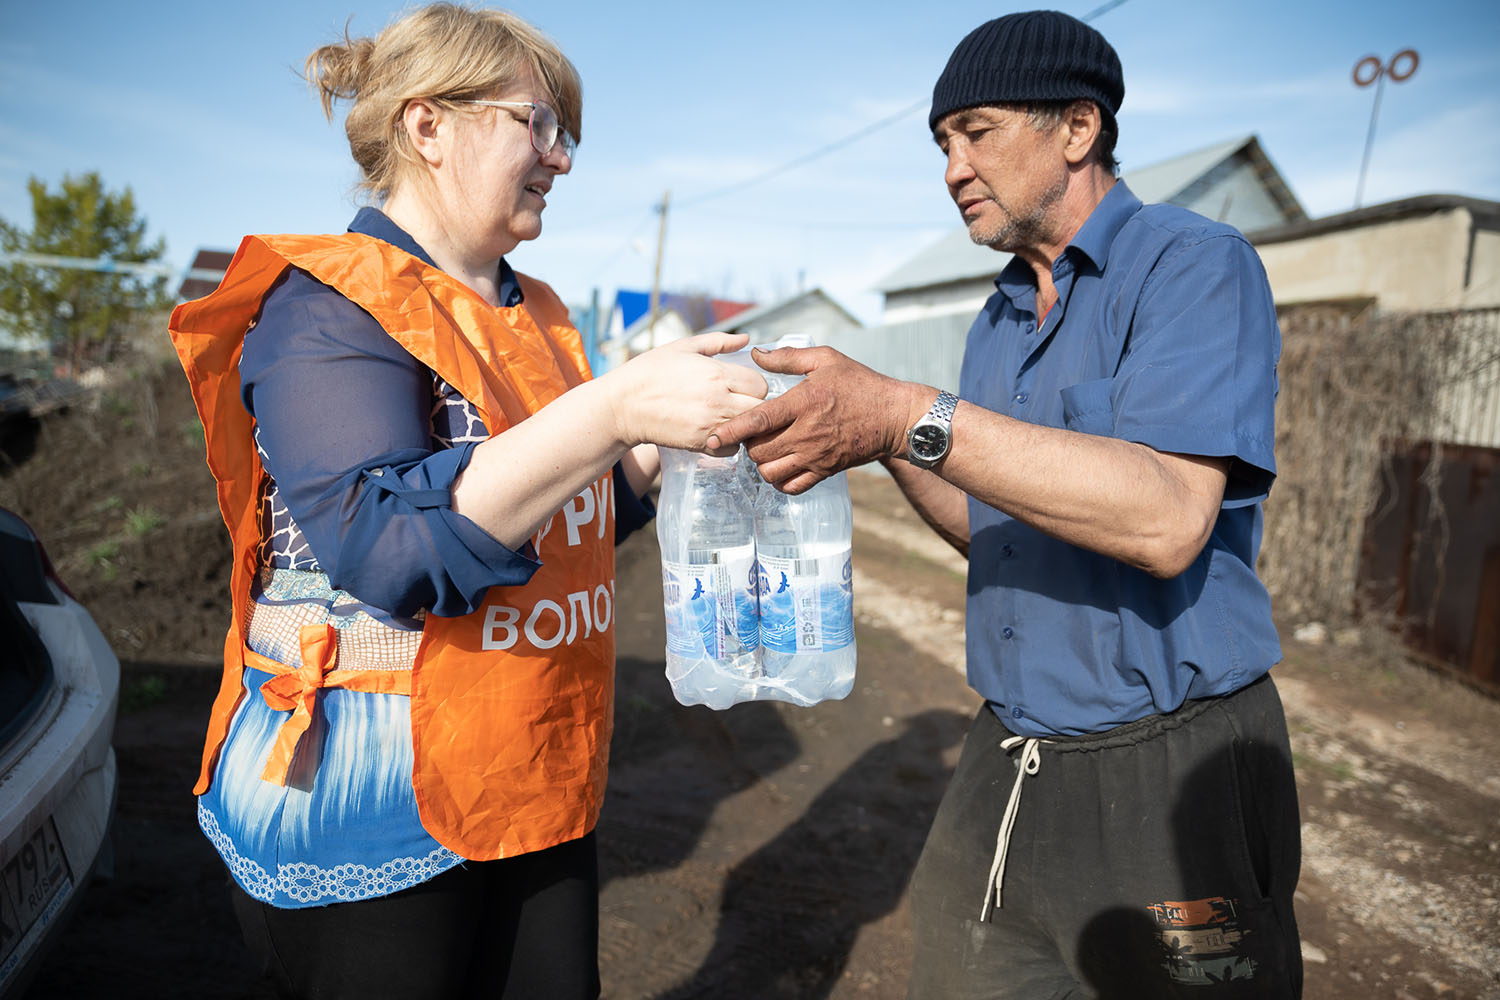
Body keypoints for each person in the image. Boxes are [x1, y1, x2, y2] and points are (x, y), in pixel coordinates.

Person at [167, 6, 765, 998]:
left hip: (530, 775)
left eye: (564, 134)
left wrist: (651, 455)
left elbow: (557, 528)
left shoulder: (533, 314)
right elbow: (394, 546)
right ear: (428, 125)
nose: (560, 159)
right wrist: (615, 407)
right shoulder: (330, 306)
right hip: (373, 808)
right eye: (538, 123)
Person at [710, 10, 1302, 998]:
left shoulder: (1192, 264)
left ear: (1077, 128)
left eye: (976, 130)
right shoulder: (999, 317)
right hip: (1012, 753)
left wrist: (905, 414)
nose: (952, 166)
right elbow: (992, 532)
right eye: (942, 143)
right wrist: (876, 441)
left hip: (1175, 763)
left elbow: (1166, 519)